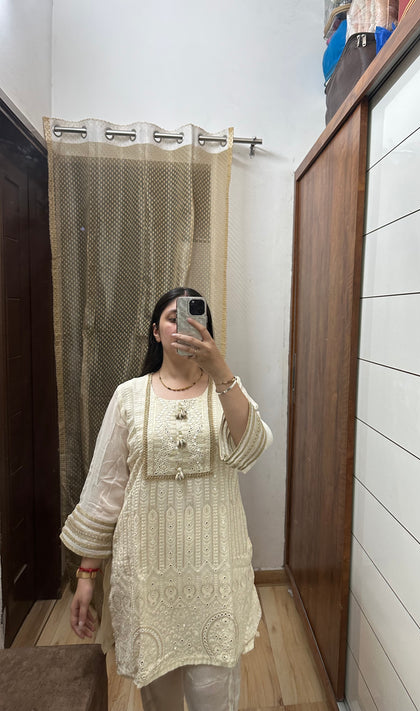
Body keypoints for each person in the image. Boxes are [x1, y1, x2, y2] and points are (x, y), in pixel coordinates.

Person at [60, 287, 273, 711]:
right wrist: (86, 575)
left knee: (215, 697)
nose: (183, 325)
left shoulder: (226, 390)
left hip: (215, 577)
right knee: (159, 701)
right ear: (155, 332)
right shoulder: (128, 396)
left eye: (194, 317)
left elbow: (252, 447)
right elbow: (106, 489)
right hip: (148, 579)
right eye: (173, 318)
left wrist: (220, 370)